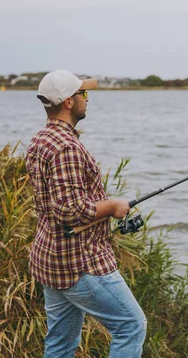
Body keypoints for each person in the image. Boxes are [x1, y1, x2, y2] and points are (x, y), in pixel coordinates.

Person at [26, 69, 146, 357]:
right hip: (79, 262)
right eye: (83, 94)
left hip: (51, 258)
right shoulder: (66, 147)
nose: (87, 100)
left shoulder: (41, 139)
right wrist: (112, 206)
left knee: (61, 344)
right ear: (68, 102)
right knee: (131, 325)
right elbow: (70, 209)